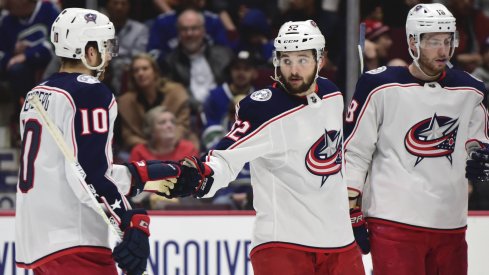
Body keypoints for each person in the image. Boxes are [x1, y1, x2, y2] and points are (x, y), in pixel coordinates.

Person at [159, 20, 366, 274]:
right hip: (283, 246)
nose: (293, 70)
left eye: (302, 59)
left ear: (320, 60)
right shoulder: (264, 108)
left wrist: (353, 209)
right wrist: (202, 176)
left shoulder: (333, 95)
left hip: (340, 243)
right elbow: (226, 157)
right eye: (286, 60)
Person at [14, 8, 179, 275]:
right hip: (76, 241)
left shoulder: (36, 94)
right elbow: (88, 175)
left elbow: (67, 166)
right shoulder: (89, 91)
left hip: (39, 245)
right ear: (89, 51)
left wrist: (138, 176)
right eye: (105, 46)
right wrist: (130, 219)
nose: (109, 56)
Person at [344, 3, 489, 275]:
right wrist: (351, 210)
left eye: (448, 41)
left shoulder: (471, 89)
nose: (443, 50)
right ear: (413, 41)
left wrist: (479, 156)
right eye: (434, 41)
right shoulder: (379, 86)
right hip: (394, 223)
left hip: (450, 224)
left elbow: (477, 142)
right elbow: (356, 152)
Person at [117, 53, 197, 151]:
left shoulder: (176, 93)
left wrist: (167, 144)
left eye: (145, 68)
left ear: (155, 72)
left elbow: (182, 125)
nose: (140, 73)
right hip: (143, 149)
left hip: (175, 143)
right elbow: (128, 135)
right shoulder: (125, 102)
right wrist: (151, 148)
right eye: (136, 71)